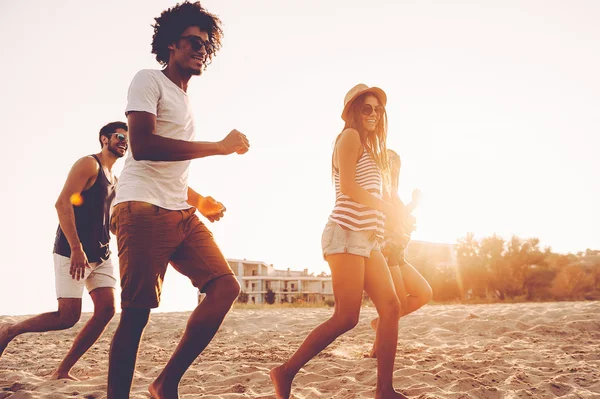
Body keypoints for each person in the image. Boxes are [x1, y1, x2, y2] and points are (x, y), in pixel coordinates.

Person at [106, 2, 250, 398]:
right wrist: (219, 148)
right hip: (142, 211)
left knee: (225, 287)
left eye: (206, 45)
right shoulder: (148, 79)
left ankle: (165, 383)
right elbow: (144, 146)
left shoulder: (185, 99)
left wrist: (199, 199)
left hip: (180, 212)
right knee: (136, 316)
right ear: (171, 44)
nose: (201, 49)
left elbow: (169, 165)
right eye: (192, 41)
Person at [270, 84, 407, 399]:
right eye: (366, 108)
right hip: (345, 233)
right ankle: (285, 371)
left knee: (391, 306)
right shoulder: (349, 137)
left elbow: (378, 195)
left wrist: (398, 214)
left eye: (378, 109)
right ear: (352, 112)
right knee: (347, 316)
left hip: (368, 239)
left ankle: (384, 390)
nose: (373, 114)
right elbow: (348, 187)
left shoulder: (374, 150)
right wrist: (386, 208)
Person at [0, 121, 128, 380]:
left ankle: (62, 370)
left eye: (128, 138)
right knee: (67, 316)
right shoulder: (89, 164)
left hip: (101, 254)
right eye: (119, 136)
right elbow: (62, 204)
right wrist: (76, 248)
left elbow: (105, 219)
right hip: (73, 251)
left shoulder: (115, 177)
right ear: (104, 139)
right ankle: (9, 329)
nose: (124, 141)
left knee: (106, 310)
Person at [368, 149, 433, 358]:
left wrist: (408, 218)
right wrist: (413, 205)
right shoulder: (379, 188)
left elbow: (398, 216)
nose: (395, 166)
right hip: (386, 251)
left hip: (397, 251)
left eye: (397, 162)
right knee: (398, 305)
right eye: (390, 162)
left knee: (424, 293)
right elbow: (388, 215)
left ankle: (379, 324)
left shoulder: (393, 190)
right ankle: (377, 347)